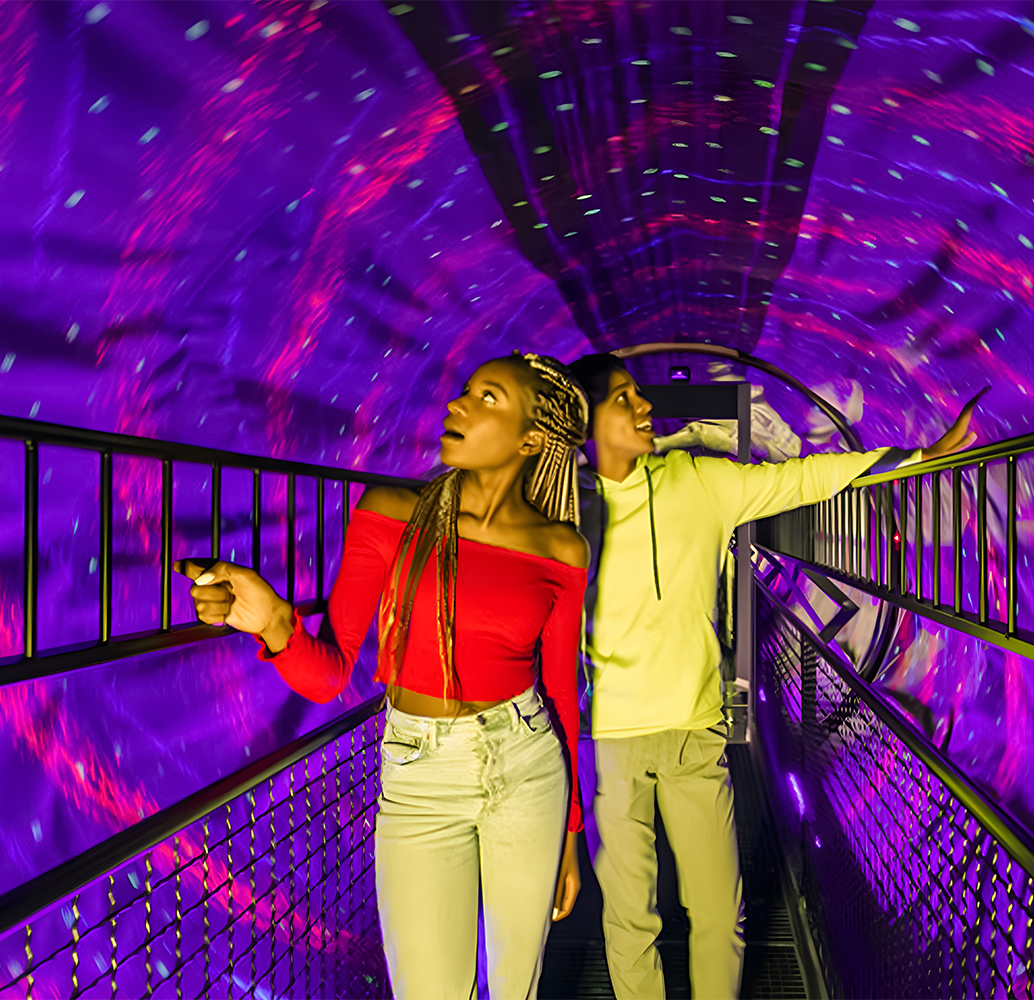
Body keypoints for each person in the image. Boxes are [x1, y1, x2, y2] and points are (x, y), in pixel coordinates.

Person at [565, 352, 985, 1000]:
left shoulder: (696, 481)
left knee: (719, 910)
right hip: (612, 741)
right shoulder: (562, 507)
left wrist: (916, 456)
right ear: (584, 419)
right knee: (629, 917)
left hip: (695, 734)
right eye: (623, 398)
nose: (643, 404)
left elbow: (800, 478)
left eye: (636, 393)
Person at [177, 353, 591, 1000]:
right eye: (465, 391)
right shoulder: (393, 513)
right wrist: (273, 622)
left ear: (531, 439)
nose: (457, 404)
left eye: (489, 398)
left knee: (518, 988)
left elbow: (561, 692)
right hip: (420, 776)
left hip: (529, 767)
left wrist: (571, 835)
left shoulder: (561, 549)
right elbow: (328, 674)